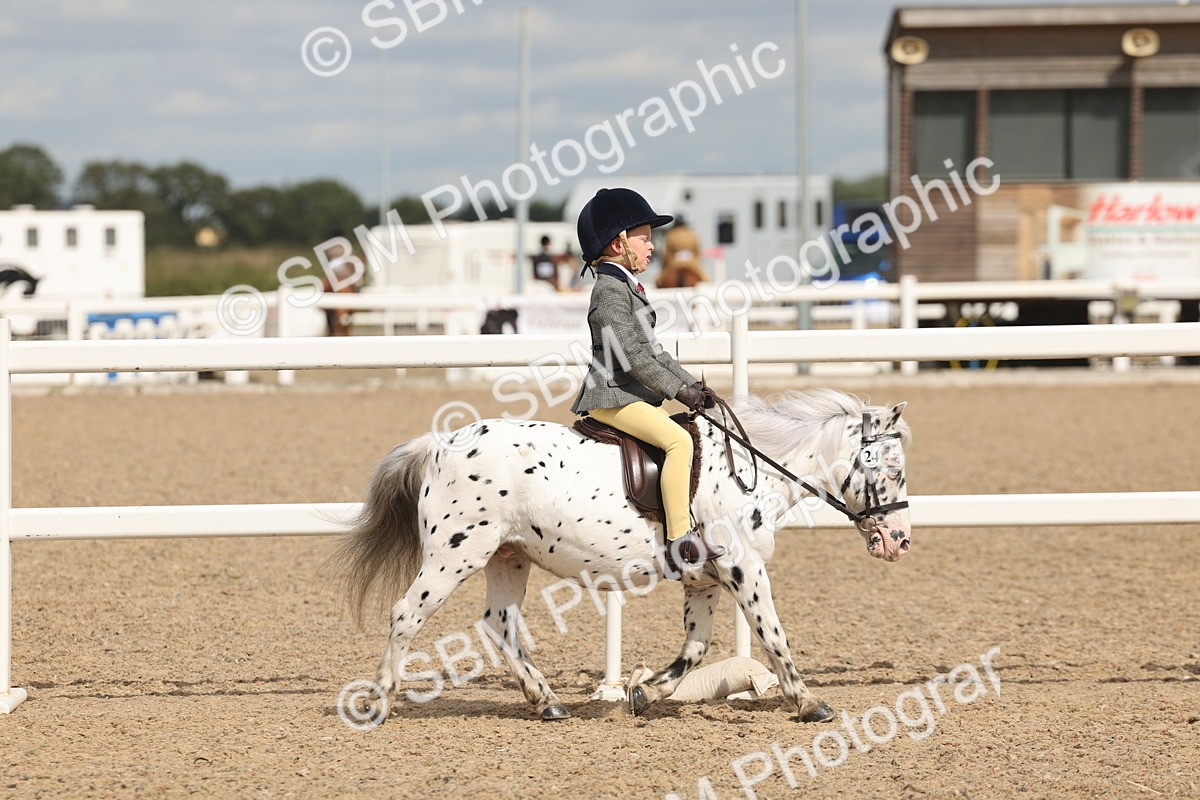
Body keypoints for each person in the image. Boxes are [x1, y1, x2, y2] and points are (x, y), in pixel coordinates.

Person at [570, 188, 726, 573]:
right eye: (644, 237)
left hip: (629, 394)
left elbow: (656, 353)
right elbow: (636, 358)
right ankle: (679, 542)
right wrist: (679, 391)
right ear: (618, 242)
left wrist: (693, 387)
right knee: (679, 441)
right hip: (613, 397)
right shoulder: (609, 292)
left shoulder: (626, 287)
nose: (652, 246)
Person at [656, 214, 709, 289]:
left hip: (674, 262)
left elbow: (666, 253)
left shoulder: (670, 234)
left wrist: (666, 262)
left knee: (659, 280)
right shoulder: (692, 234)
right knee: (705, 279)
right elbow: (697, 251)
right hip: (691, 261)